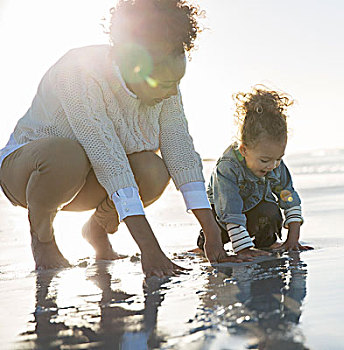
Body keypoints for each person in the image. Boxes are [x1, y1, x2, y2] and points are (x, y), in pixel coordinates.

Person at [0, 0, 260, 278]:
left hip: (85, 180)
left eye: (177, 82)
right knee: (67, 155)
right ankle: (43, 241)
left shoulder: (167, 87)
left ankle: (98, 228)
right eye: (164, 83)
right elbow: (109, 160)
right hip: (29, 171)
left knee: (154, 170)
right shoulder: (78, 72)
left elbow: (181, 153)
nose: (172, 92)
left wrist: (212, 235)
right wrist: (150, 248)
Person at [196, 86, 313, 254]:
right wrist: (244, 250)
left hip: (253, 212)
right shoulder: (228, 168)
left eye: (278, 158)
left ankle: (266, 243)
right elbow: (230, 209)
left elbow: (288, 196)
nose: (272, 166)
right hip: (223, 216)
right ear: (244, 150)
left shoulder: (274, 164)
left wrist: (293, 239)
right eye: (265, 160)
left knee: (270, 212)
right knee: (216, 227)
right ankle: (203, 246)